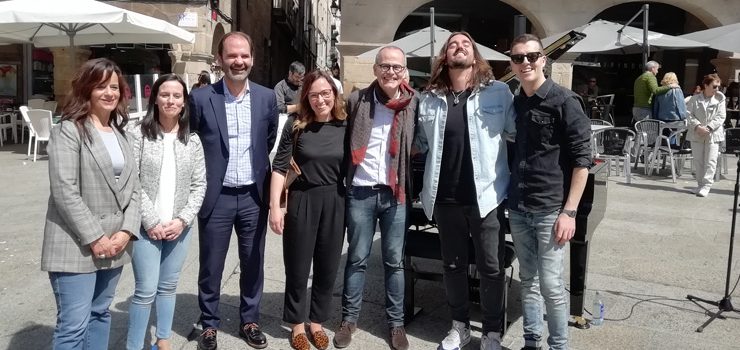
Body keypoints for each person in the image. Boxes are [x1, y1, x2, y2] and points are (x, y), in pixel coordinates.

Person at [414, 31, 515, 350]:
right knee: (453, 265)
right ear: (445, 56)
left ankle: (491, 332)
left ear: (475, 55)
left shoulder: (499, 93)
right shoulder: (428, 97)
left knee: (491, 267)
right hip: (445, 197)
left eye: (466, 44)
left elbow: (516, 134)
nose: (459, 47)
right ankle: (459, 327)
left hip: (486, 196)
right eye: (453, 44)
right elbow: (420, 143)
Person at [41, 57, 140, 349]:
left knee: (100, 315)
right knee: (73, 327)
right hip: (76, 244)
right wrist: (96, 237)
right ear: (86, 90)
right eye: (100, 86)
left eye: (113, 86)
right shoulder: (69, 130)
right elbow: (64, 190)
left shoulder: (122, 135)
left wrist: (126, 232)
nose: (109, 93)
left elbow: (134, 188)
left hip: (115, 244)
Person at [189, 31, 278, 350]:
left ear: (252, 59)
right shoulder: (200, 98)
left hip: (254, 196)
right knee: (211, 264)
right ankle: (209, 323)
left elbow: (268, 140)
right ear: (220, 59)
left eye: (244, 56)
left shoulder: (268, 98)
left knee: (253, 261)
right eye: (231, 55)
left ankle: (250, 320)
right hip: (217, 196)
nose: (238, 61)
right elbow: (192, 143)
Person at [508, 34, 592, 350]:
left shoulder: (564, 100)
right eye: (518, 58)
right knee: (527, 280)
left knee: (552, 285)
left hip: (550, 208)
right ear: (512, 64)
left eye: (532, 56)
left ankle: (558, 345)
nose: (525, 62)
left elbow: (582, 160)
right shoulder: (516, 101)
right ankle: (532, 341)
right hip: (518, 205)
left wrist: (570, 211)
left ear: (543, 59)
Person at [334, 45, 417, 350]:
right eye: (385, 66)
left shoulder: (413, 102)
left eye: (397, 67)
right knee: (357, 259)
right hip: (361, 191)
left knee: (394, 262)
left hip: (396, 193)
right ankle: (349, 320)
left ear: (404, 71)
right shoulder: (357, 100)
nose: (391, 72)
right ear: (375, 70)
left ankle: (396, 325)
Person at [125, 74, 206, 350]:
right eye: (165, 94)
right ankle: (135, 344)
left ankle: (163, 338)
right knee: (145, 290)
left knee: (168, 287)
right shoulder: (137, 133)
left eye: (176, 96)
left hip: (178, 228)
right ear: (155, 99)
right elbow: (131, 181)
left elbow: (199, 185)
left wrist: (182, 220)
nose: (170, 100)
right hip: (146, 227)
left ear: (184, 103)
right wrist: (151, 220)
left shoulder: (192, 141)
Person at [269, 70, 348, 350]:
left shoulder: (344, 124)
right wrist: (274, 208)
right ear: (306, 97)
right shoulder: (296, 124)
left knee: (327, 266)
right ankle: (297, 325)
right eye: (313, 94)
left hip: (336, 199)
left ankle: (317, 322)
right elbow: (280, 166)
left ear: (334, 95)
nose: (320, 99)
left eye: (325, 93)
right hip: (302, 197)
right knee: (298, 265)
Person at [686, 73, 726, 197]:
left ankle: (706, 185)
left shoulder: (720, 99)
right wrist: (697, 126)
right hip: (697, 133)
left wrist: (709, 127)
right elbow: (688, 114)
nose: (717, 89)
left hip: (712, 134)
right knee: (698, 161)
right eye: (714, 86)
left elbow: (721, 116)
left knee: (711, 161)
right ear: (706, 85)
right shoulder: (694, 99)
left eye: (718, 86)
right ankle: (700, 185)